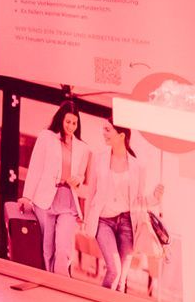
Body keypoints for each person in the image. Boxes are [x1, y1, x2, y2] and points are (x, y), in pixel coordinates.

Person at [88, 122, 163, 291]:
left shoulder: (138, 166)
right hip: (104, 221)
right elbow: (91, 192)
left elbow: (138, 201)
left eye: (108, 130)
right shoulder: (99, 158)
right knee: (114, 270)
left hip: (127, 223)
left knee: (121, 279)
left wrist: (155, 197)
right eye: (103, 128)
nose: (104, 133)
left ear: (121, 135)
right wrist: (87, 221)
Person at [20, 102, 91, 276]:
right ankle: (47, 280)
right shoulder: (46, 137)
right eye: (68, 122)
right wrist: (27, 197)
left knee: (63, 246)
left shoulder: (83, 148)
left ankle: (60, 280)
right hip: (45, 199)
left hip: (68, 200)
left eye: (74, 123)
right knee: (47, 247)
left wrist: (78, 180)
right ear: (61, 119)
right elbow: (36, 167)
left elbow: (81, 176)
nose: (71, 127)